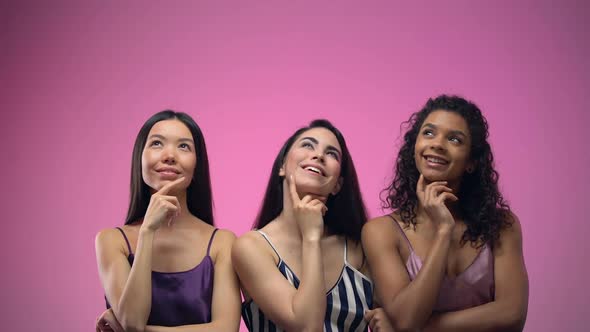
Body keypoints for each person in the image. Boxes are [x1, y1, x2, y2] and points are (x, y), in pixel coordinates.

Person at [363, 95, 529, 331]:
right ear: (414, 147)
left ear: (471, 161)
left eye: (454, 139)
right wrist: (443, 231)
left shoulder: (502, 225)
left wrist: (424, 327)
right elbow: (407, 320)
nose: (438, 144)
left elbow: (512, 315)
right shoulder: (381, 231)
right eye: (429, 133)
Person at [232, 119, 390, 331]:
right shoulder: (251, 247)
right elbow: (306, 325)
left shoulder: (358, 248)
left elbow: (403, 317)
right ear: (281, 166)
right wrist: (312, 237)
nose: (318, 155)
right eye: (307, 145)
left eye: (332, 153)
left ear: (338, 184)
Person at [94, 110, 241, 332]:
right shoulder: (111, 240)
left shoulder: (223, 242)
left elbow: (226, 329)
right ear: (139, 158)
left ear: (197, 164)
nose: (170, 155)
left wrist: (140, 330)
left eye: (184, 146)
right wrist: (147, 231)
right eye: (157, 143)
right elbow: (133, 319)